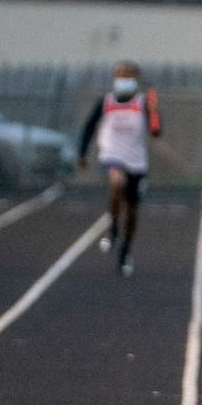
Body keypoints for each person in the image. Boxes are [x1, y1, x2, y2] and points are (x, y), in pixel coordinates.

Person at [77, 60, 162, 277]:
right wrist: (82, 153)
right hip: (111, 156)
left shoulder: (143, 103)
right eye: (120, 76)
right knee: (117, 182)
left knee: (132, 212)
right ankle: (113, 225)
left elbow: (156, 132)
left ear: (136, 81)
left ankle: (125, 249)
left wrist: (154, 112)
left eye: (129, 77)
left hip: (136, 161)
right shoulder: (105, 102)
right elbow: (88, 127)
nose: (124, 81)